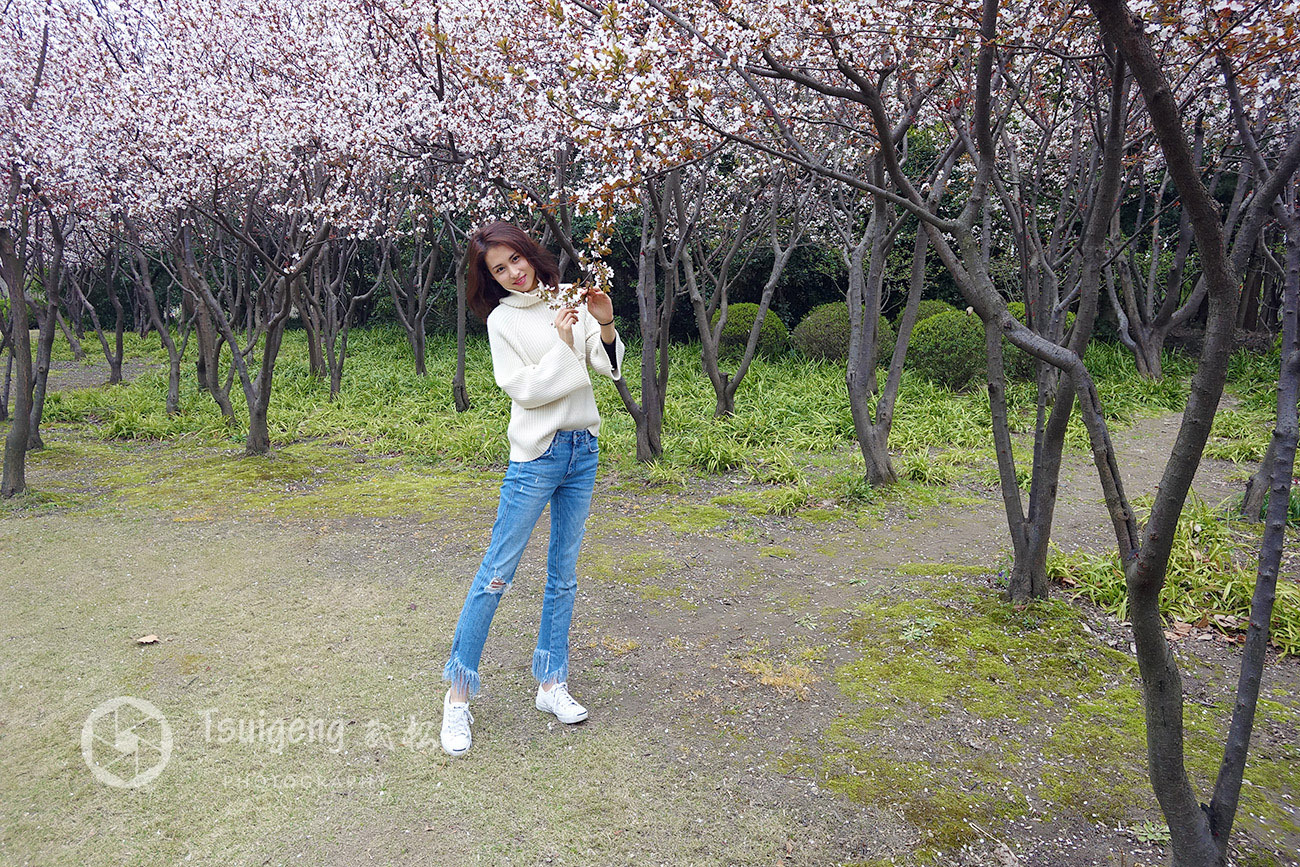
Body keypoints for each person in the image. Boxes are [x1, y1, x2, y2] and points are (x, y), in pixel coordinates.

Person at [439, 221, 623, 757]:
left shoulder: (568, 297)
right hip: (536, 457)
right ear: (490, 280)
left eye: (515, 260)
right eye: (499, 269)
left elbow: (605, 369)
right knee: (496, 575)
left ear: (530, 254)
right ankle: (458, 697)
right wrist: (565, 343)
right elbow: (525, 390)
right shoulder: (501, 321)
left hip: (582, 450)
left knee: (563, 575)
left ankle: (551, 684)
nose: (514, 273)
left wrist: (604, 326)